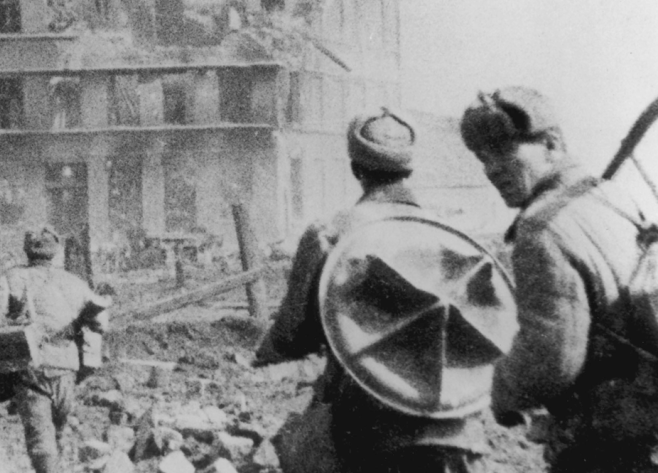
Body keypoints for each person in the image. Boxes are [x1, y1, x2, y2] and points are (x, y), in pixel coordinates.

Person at [253, 109, 496, 471]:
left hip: (365, 420)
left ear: (356, 169)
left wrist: (268, 351)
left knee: (295, 453)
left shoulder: (330, 232)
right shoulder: (452, 236)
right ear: (409, 170)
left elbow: (293, 334)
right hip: (453, 422)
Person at [460, 87, 656, 471]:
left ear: (551, 144)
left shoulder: (541, 229)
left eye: (503, 150)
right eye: (483, 157)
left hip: (604, 443)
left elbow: (549, 362)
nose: (491, 168)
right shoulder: (611, 196)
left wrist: (500, 391)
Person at [0, 227, 111, 473]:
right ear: (56, 251)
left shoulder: (11, 277)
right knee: (58, 431)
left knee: (40, 437)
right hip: (66, 367)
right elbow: (101, 323)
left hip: (30, 366)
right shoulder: (74, 282)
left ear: (27, 250)